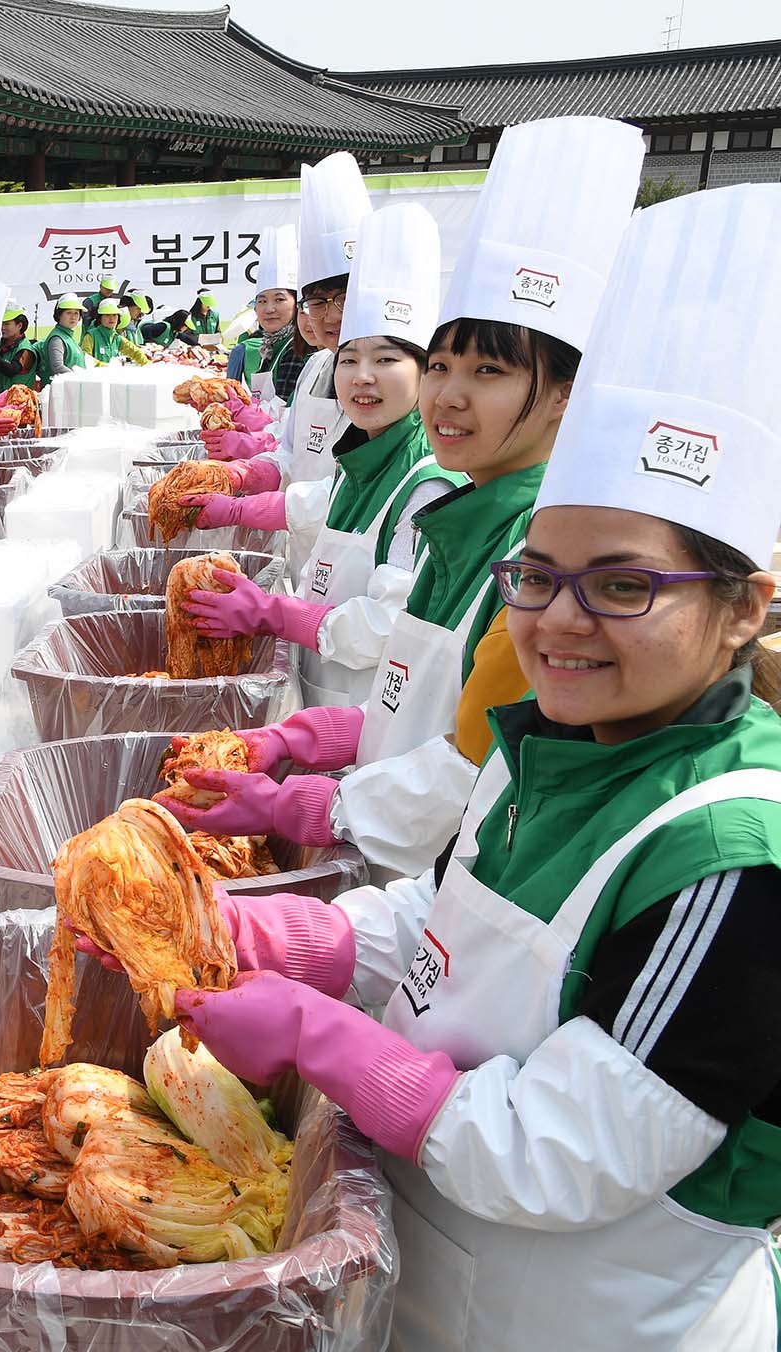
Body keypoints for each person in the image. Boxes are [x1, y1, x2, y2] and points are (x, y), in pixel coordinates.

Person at [157, 184, 781, 1352]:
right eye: (535, 574)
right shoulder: (553, 736)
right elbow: (450, 930)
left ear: (743, 608)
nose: (558, 618)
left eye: (624, 583)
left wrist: (322, 1038)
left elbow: (565, 1150)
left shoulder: (728, 860)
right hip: (436, 1269)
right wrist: (299, 941)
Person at [163, 118, 646, 880]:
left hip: (429, 867)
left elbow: (474, 768)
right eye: (445, 367)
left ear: (564, 393)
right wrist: (302, 739)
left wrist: (307, 802)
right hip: (382, 843)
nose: (449, 396)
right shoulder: (464, 511)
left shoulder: (534, 557)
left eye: (488, 374)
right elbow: (416, 707)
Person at [175, 204, 464, 710]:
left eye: (387, 360)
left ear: (429, 373)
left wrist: (277, 613)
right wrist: (240, 480)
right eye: (349, 360)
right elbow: (316, 495)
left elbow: (389, 623)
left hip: (365, 707)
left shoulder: (429, 482)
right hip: (320, 671)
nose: (361, 376)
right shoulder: (363, 449)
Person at [201, 153, 374, 582]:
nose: (330, 316)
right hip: (306, 561)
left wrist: (242, 505)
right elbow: (291, 452)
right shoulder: (317, 367)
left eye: (344, 297)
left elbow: (348, 496)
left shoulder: (404, 393)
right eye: (317, 301)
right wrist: (246, 471)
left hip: (360, 570)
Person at [226, 228, 302, 398]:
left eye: (279, 299)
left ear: (296, 303)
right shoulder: (268, 346)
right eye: (262, 301)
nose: (269, 309)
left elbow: (284, 411)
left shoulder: (297, 348)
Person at [0, 305, 39, 393]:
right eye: (1, 323)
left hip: (18, 401)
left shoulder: (26, 350)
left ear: (19, 325)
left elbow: (12, 370)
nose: (2, 327)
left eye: (6, 324)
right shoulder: (1, 344)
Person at [42, 294, 89, 377]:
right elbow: (57, 366)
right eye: (68, 313)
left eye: (76, 313)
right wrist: (80, 378)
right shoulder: (57, 339)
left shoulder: (68, 337)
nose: (73, 317)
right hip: (61, 388)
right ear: (59, 315)